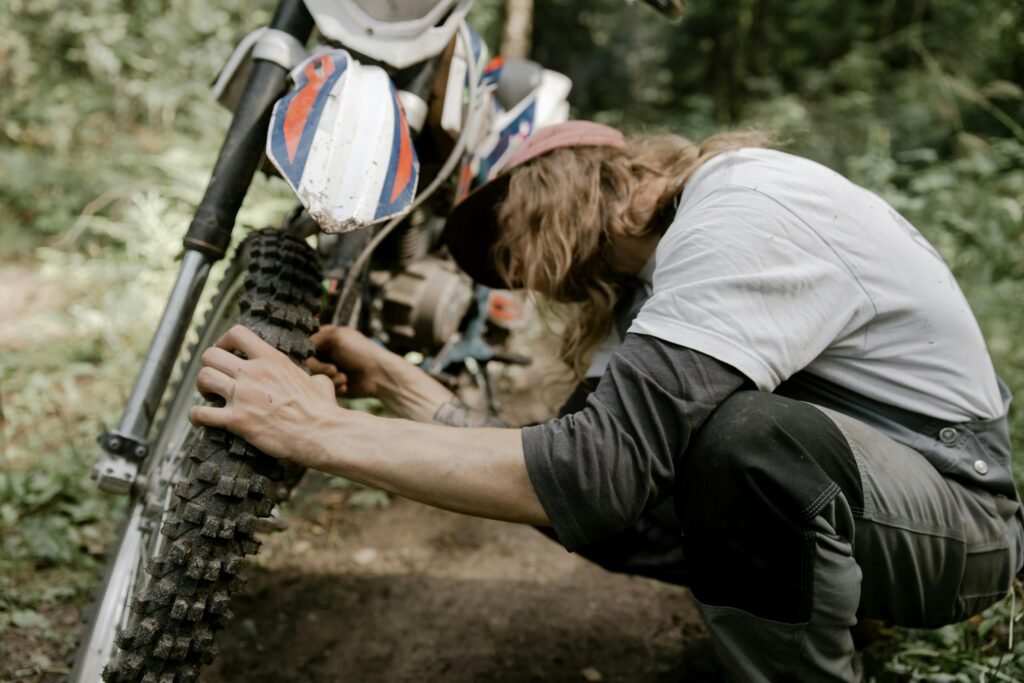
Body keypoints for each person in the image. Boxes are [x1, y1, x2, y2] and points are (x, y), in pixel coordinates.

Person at [189, 121, 1024, 681]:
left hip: (963, 511)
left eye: (508, 229)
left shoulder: (741, 208)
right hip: (876, 503)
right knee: (625, 492)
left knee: (741, 444)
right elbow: (566, 471)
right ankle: (811, 617)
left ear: (565, 185)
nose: (514, 267)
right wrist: (393, 382)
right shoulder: (650, 292)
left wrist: (314, 428)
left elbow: (588, 472)